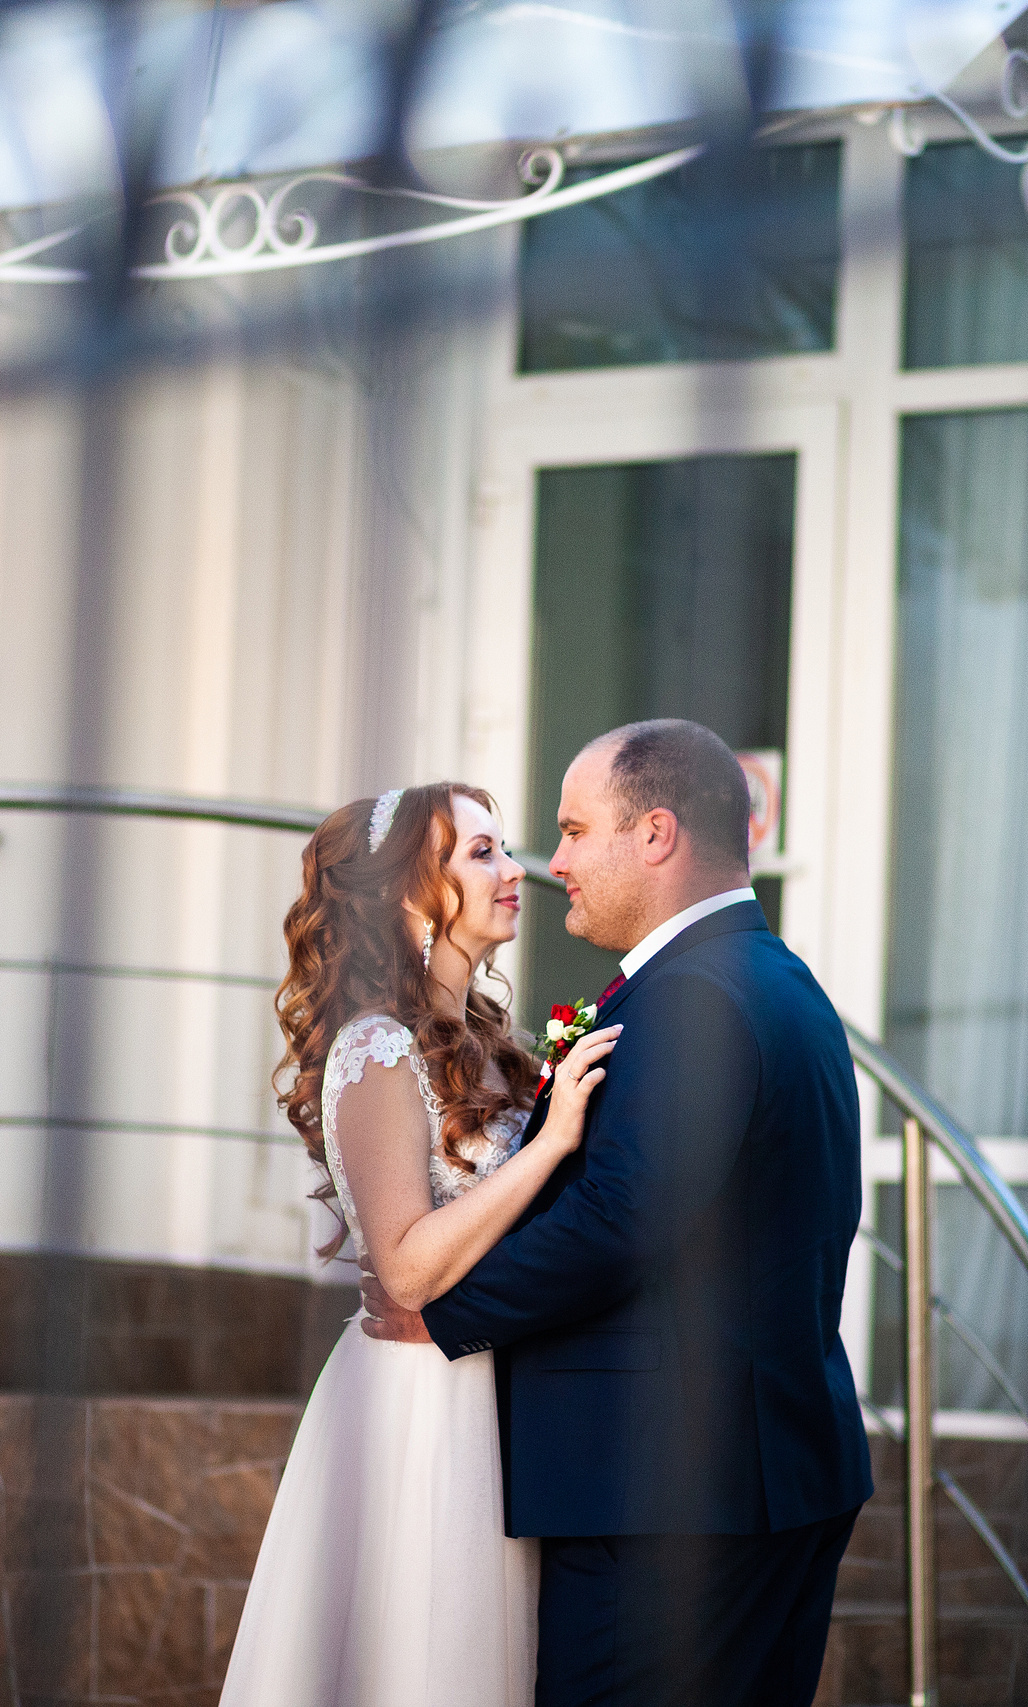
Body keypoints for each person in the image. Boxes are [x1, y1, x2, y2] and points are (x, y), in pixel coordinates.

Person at [371, 719, 873, 1707]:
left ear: (654, 834)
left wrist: (439, 1315)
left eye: (570, 830)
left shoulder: (693, 1001)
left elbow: (620, 1219)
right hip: (762, 1471)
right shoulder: (777, 981)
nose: (550, 864)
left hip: (669, 1498)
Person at [219, 781, 621, 1707]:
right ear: (408, 893)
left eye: (506, 848)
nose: (517, 869)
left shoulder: (488, 1041)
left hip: (498, 1388)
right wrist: (553, 1140)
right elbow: (403, 1261)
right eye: (482, 853)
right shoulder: (374, 1047)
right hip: (415, 1407)